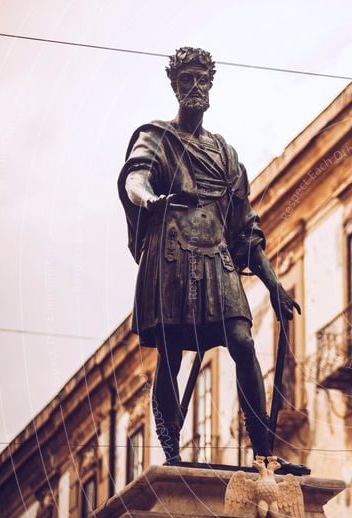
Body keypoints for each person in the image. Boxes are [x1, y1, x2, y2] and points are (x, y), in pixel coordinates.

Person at [118, 47, 302, 471]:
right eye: (187, 81)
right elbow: (135, 176)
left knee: (241, 341)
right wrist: (151, 200)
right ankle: (171, 452)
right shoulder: (156, 137)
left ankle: (264, 455)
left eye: (202, 80)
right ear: (175, 85)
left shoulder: (225, 154)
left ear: (211, 86)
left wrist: (273, 284)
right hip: (172, 256)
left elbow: (246, 228)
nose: (195, 88)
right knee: (172, 352)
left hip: (216, 258)